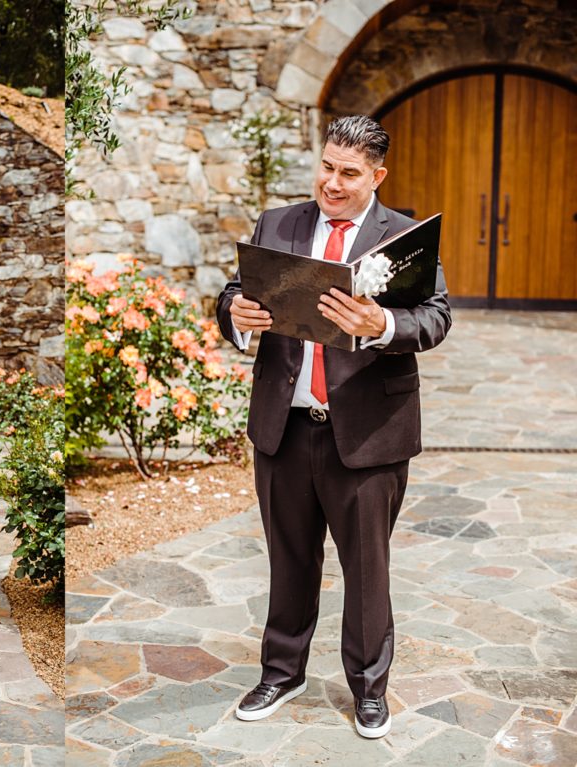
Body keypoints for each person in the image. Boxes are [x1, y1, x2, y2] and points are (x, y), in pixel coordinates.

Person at [216, 115, 451, 738]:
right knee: (288, 560)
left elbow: (435, 317)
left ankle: (369, 690)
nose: (333, 183)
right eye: (326, 167)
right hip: (284, 427)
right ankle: (281, 673)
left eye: (349, 173)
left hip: (369, 432)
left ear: (377, 176)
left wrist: (383, 325)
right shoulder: (278, 224)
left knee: (367, 570)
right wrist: (236, 314)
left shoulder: (404, 237)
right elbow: (234, 294)